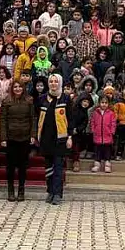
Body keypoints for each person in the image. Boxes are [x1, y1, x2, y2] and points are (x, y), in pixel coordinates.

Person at [36, 74, 72, 205]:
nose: (53, 84)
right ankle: (50, 191)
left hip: (60, 139)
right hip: (46, 138)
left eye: (55, 82)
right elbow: (37, 117)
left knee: (57, 167)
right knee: (48, 168)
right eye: (51, 82)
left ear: (60, 83)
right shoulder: (42, 99)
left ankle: (57, 193)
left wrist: (70, 136)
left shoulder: (65, 99)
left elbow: (71, 119)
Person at [0, 80, 35, 202]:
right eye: (15, 87)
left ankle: (21, 190)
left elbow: (33, 119)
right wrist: (3, 137)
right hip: (10, 138)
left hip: (25, 137)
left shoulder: (29, 100)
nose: (17, 89)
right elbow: (3, 120)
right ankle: (10, 190)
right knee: (10, 166)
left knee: (22, 166)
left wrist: (32, 134)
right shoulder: (6, 101)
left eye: (20, 86)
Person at [89, 97, 117, 174]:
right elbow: (92, 122)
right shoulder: (95, 113)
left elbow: (113, 123)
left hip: (107, 135)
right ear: (99, 103)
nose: (104, 104)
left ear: (108, 104)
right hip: (97, 135)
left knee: (107, 150)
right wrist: (93, 130)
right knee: (98, 150)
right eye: (102, 102)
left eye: (106, 103)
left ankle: (107, 164)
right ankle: (97, 164)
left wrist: (112, 131)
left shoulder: (111, 113)